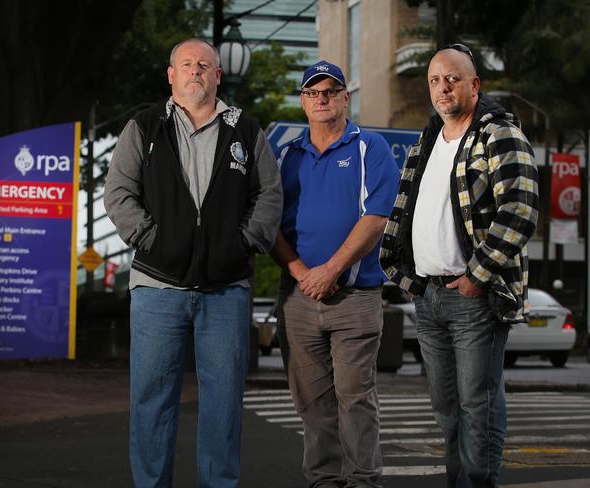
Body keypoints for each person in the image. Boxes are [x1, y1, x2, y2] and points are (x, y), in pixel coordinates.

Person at [103, 38, 282, 488]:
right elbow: (118, 193)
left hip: (225, 290)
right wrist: (151, 239)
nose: (196, 71)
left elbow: (270, 195)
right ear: (171, 74)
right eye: (187, 64)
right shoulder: (144, 127)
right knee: (151, 401)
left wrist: (241, 244)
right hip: (157, 288)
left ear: (218, 75)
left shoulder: (246, 130)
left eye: (205, 64)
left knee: (222, 404)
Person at [379, 43, 539, 488]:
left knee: (478, 406)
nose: (442, 87)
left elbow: (521, 209)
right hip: (428, 297)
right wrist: (410, 280)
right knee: (447, 409)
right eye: (434, 80)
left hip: (473, 298)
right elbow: (406, 211)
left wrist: (476, 277)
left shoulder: (498, 134)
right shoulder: (426, 142)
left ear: (475, 85)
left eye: (452, 78)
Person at [272, 60, 399, 488]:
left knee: (355, 397)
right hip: (298, 298)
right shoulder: (286, 155)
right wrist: (300, 271)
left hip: (355, 297)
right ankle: (323, 481)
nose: (321, 98)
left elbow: (377, 217)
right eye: (312, 92)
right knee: (312, 402)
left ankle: (364, 481)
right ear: (303, 102)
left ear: (346, 98)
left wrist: (330, 269)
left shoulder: (371, 148)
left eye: (330, 90)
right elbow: (268, 223)